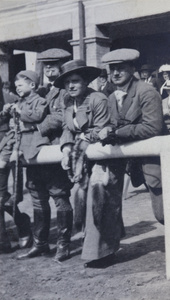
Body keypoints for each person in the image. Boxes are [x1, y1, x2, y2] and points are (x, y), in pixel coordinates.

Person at [54, 59, 125, 267]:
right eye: (67, 83)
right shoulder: (68, 101)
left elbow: (103, 127)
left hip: (104, 154)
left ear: (86, 81)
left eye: (75, 81)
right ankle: (102, 247)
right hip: (82, 158)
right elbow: (67, 128)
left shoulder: (97, 99)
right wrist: (67, 147)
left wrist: (83, 139)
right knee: (83, 199)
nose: (71, 86)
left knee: (101, 199)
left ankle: (102, 253)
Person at [17, 49, 73, 262]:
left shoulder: (66, 91)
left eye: (54, 64)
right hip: (34, 152)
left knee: (60, 197)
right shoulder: (38, 91)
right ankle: (41, 243)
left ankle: (63, 244)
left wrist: (32, 126)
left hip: (54, 150)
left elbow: (60, 118)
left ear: (62, 66)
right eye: (46, 65)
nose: (49, 69)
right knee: (38, 199)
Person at [99, 48, 164, 227]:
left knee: (163, 213)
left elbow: (153, 127)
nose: (116, 73)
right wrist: (106, 130)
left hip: (156, 161)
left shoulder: (146, 91)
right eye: (112, 69)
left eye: (121, 68)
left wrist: (116, 133)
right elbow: (114, 123)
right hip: (131, 161)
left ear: (132, 68)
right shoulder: (112, 97)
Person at [0, 76, 32, 254]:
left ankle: (20, 225)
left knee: (2, 198)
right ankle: (7, 236)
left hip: (6, 152)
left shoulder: (10, 99)